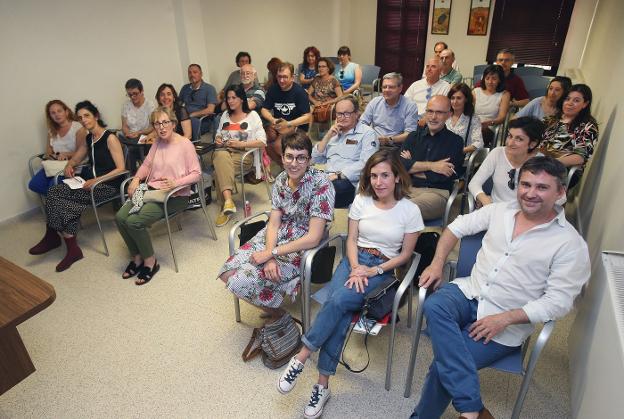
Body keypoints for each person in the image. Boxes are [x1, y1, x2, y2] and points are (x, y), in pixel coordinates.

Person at [411, 156, 590, 419]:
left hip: (506, 319)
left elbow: (559, 302)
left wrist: (505, 318)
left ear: (560, 192)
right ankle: (473, 409)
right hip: (469, 292)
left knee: (442, 368)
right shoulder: (500, 211)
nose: (530, 193)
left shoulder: (569, 244)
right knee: (435, 303)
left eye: (541, 187)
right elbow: (455, 227)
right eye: (525, 185)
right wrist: (437, 264)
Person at [277, 150, 424, 419]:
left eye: (385, 176)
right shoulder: (361, 201)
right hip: (355, 261)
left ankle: (302, 355)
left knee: (339, 301)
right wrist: (356, 267)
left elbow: (404, 255)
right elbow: (351, 240)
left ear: (397, 178)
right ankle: (322, 386)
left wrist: (373, 269)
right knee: (342, 309)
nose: (378, 182)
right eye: (373, 176)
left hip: (382, 269)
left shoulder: (410, 210)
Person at [217, 131, 335, 321]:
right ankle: (278, 313)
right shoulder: (281, 179)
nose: (294, 163)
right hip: (276, 235)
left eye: (301, 158)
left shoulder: (322, 184)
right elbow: (273, 222)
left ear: (309, 159)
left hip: (302, 243)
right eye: (289, 156)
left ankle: (277, 313)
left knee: (240, 280)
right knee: (227, 273)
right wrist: (270, 253)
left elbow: (313, 237)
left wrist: (271, 254)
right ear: (282, 157)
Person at [28, 101, 126, 272]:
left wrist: (96, 181)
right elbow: (77, 157)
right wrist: (69, 165)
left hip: (107, 186)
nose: (83, 120)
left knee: (65, 202)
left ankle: (59, 240)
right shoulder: (89, 138)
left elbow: (121, 169)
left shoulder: (110, 138)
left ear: (96, 116)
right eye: (80, 117)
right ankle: (63, 242)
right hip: (88, 182)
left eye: (87, 115)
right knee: (54, 191)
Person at [115, 107, 201, 284]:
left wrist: (175, 183)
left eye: (165, 122)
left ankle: (150, 262)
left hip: (175, 195)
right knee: (120, 217)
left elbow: (197, 174)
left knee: (134, 221)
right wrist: (136, 179)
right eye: (157, 123)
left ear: (173, 123)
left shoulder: (185, 144)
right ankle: (137, 257)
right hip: (153, 191)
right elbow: (146, 165)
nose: (161, 127)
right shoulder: (157, 143)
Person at [399, 95, 463, 221]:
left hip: (437, 194)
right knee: (377, 202)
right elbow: (400, 166)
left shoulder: (455, 141)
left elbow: (443, 176)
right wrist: (432, 166)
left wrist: (412, 167)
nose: (433, 117)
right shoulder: (413, 137)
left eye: (439, 113)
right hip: (407, 188)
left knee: (404, 209)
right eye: (430, 111)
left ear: (449, 114)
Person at [212, 84, 267, 227]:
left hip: (244, 155)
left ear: (242, 99)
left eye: (234, 98)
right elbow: (218, 134)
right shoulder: (225, 115)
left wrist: (240, 144)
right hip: (224, 152)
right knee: (220, 156)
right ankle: (228, 203)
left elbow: (262, 141)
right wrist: (217, 139)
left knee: (219, 168)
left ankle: (225, 206)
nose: (230, 101)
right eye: (228, 98)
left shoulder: (252, 116)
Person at [311, 95, 378, 208]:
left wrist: (338, 175)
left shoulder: (367, 134)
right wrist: (327, 136)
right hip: (328, 178)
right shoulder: (334, 132)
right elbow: (315, 158)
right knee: (298, 184)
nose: (342, 117)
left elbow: (367, 164)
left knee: (316, 194)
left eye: (347, 113)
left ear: (357, 114)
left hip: (349, 181)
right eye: (339, 114)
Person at [469, 117, 544, 206]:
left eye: (519, 139)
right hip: (496, 209)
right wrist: (484, 199)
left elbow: (559, 198)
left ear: (532, 144)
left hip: (525, 214)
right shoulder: (497, 153)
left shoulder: (541, 163)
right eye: (510, 136)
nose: (510, 143)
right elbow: (474, 183)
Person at [541, 84, 599, 185]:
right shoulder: (552, 120)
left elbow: (579, 157)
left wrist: (550, 164)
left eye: (576, 101)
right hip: (540, 161)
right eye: (567, 99)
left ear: (585, 104)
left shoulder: (588, 126)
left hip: (563, 169)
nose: (570, 103)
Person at [28, 100, 87, 196]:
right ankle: (61, 202)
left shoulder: (77, 127)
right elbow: (48, 154)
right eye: (53, 113)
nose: (57, 115)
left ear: (66, 112)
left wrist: (66, 155)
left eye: (59, 111)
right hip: (56, 165)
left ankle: (60, 202)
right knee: (34, 184)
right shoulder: (52, 131)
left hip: (73, 166)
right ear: (50, 116)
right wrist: (55, 156)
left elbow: (82, 152)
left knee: (53, 186)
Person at [261, 62, 312, 165]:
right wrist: (273, 120)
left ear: (292, 77)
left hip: (296, 126)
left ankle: (295, 167)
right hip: (278, 124)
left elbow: (307, 117)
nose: (281, 80)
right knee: (264, 142)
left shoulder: (299, 92)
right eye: (279, 77)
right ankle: (285, 168)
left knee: (277, 145)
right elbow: (264, 110)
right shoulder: (273, 89)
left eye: (285, 77)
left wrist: (289, 123)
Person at [360, 72, 418, 148]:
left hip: (395, 146)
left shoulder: (410, 106)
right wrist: (370, 135)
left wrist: (390, 139)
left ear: (400, 88)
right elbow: (362, 122)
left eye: (391, 87)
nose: (387, 90)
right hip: (373, 142)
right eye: (384, 87)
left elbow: (410, 134)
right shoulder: (375, 102)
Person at [473, 64, 511, 147]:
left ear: (499, 80)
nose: (490, 82)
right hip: (474, 124)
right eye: (487, 78)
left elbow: (501, 117)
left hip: (490, 127)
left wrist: (489, 122)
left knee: (479, 131)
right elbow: (469, 111)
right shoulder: (476, 91)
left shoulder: (504, 95)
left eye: (494, 79)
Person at [179, 64, 218, 139]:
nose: (192, 75)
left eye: (195, 72)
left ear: (201, 74)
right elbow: (178, 104)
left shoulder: (209, 89)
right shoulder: (185, 88)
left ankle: (190, 142)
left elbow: (210, 110)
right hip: (185, 118)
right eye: (189, 73)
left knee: (190, 121)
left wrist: (192, 115)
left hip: (201, 120)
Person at [446, 83, 483, 158]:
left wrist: (460, 150)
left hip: (462, 159)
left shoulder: (473, 119)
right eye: (452, 98)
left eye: (459, 98)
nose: (455, 101)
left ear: (466, 99)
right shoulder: (445, 116)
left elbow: (479, 143)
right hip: (442, 156)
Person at [308, 57, 342, 122]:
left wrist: (326, 103)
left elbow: (340, 96)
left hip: (329, 107)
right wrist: (315, 102)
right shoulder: (316, 79)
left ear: (328, 68)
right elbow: (308, 94)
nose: (320, 69)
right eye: (319, 67)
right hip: (316, 105)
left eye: (323, 66)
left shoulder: (334, 80)